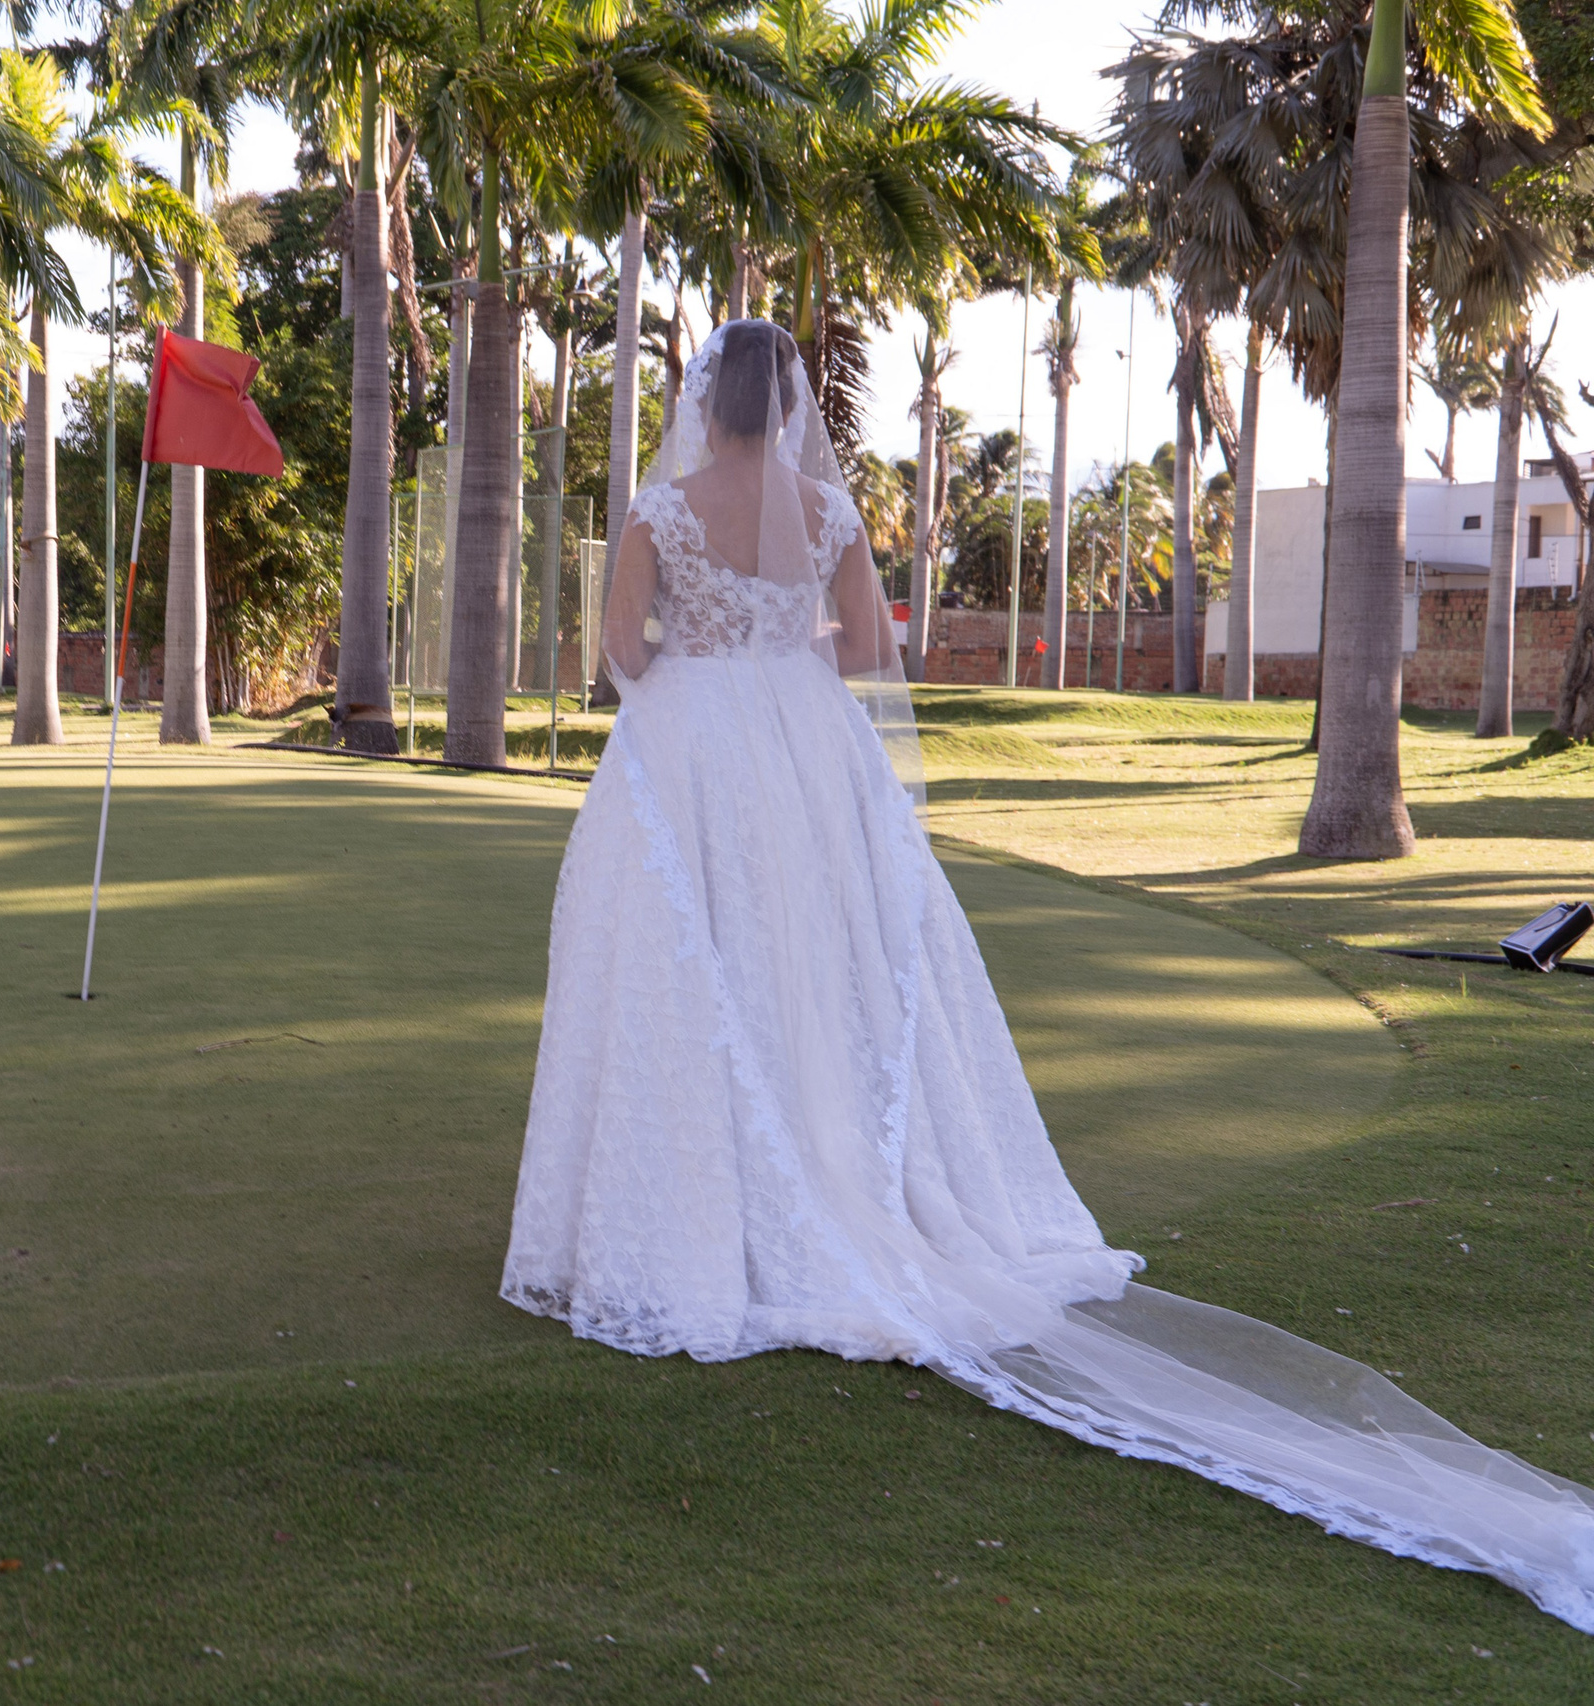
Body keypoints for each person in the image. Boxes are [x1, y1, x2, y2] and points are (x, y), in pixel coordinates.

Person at [502, 318, 1594, 1632]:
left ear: (701, 403)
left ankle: (713, 1213)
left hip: (688, 745)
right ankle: (854, 1187)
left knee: (699, 984)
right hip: (808, 746)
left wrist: (698, 667)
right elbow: (862, 649)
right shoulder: (826, 507)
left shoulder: (661, 506)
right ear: (790, 403)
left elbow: (623, 649)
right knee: (829, 976)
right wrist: (773, 659)